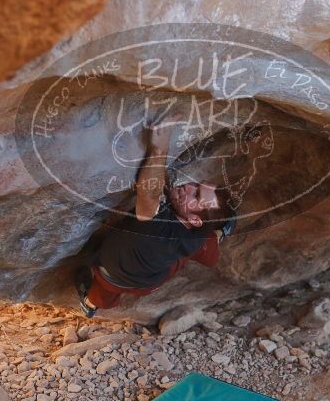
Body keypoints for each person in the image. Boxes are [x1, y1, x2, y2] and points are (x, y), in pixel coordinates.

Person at [74, 120, 237, 318]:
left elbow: (149, 194)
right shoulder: (190, 233)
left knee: (101, 296)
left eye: (196, 196)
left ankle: (89, 305)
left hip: (111, 275)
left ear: (194, 220)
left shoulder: (158, 226)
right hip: (150, 280)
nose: (189, 187)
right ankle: (219, 232)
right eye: (197, 186)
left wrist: (159, 149)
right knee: (201, 246)